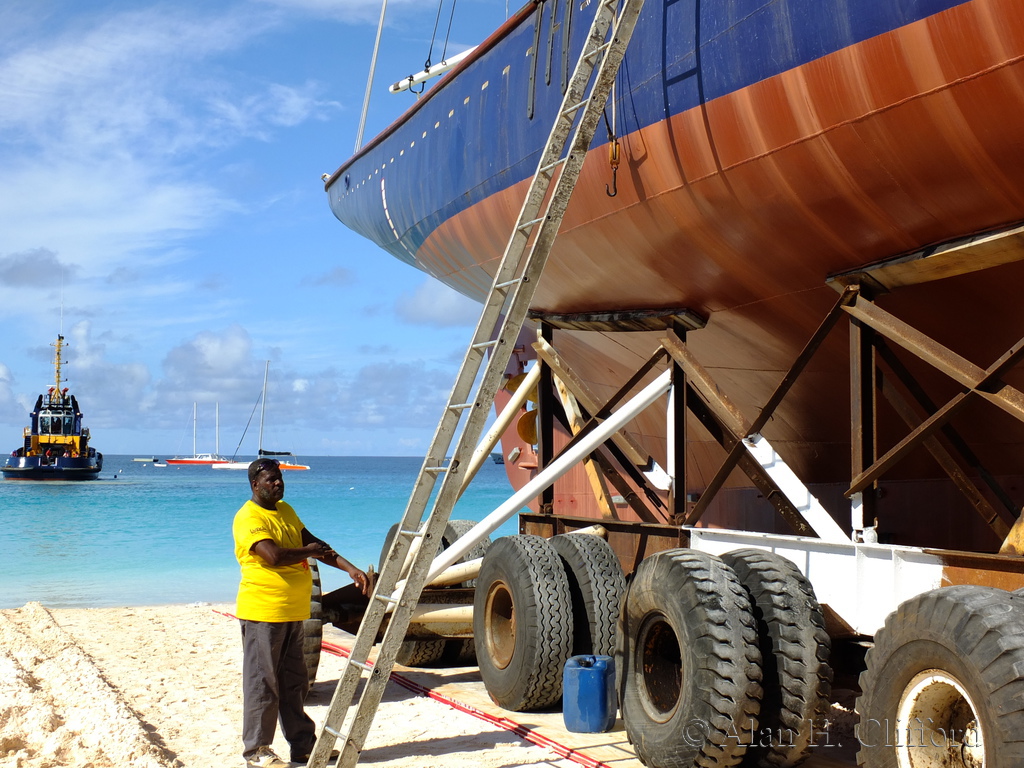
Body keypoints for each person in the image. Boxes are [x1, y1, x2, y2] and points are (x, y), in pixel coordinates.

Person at [233, 457, 372, 768]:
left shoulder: (286, 510)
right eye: (271, 479)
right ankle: (257, 751)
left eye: (280, 478)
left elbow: (315, 544)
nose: (278, 483)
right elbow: (272, 555)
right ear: (255, 485)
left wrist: (350, 569)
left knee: (294, 682)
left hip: (294, 612)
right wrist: (308, 552)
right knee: (262, 683)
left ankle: (303, 746)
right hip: (264, 613)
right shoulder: (248, 517)